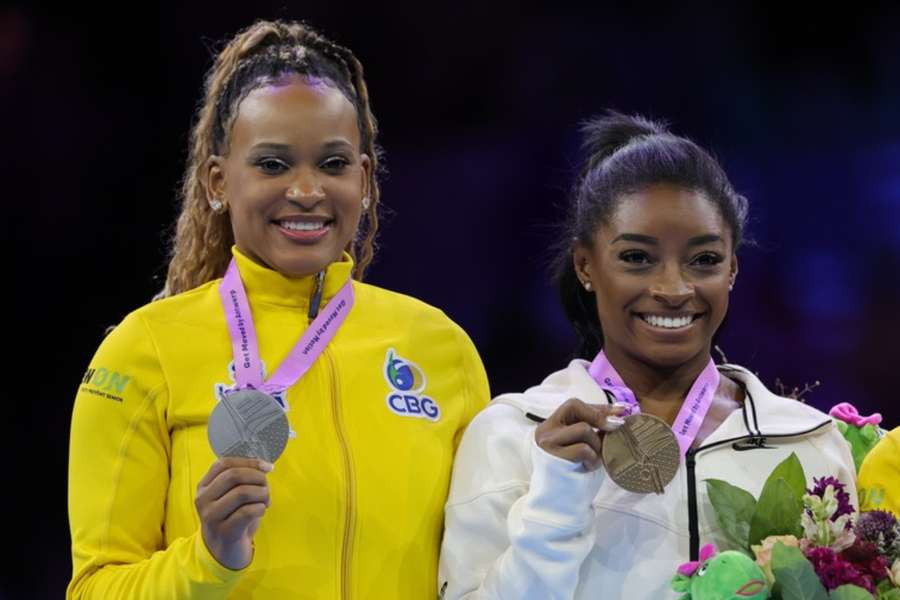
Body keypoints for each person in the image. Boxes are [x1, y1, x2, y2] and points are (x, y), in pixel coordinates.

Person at [67, 19, 489, 599]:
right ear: (218, 181)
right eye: (273, 164)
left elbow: (483, 573)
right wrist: (209, 559)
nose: (308, 191)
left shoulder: (439, 347)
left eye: (334, 164)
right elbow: (94, 589)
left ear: (364, 180)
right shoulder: (145, 350)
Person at [438, 112, 856, 599]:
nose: (674, 289)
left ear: (733, 270)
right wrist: (555, 500)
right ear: (586, 266)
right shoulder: (513, 434)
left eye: (704, 260)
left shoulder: (809, 442)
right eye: (637, 258)